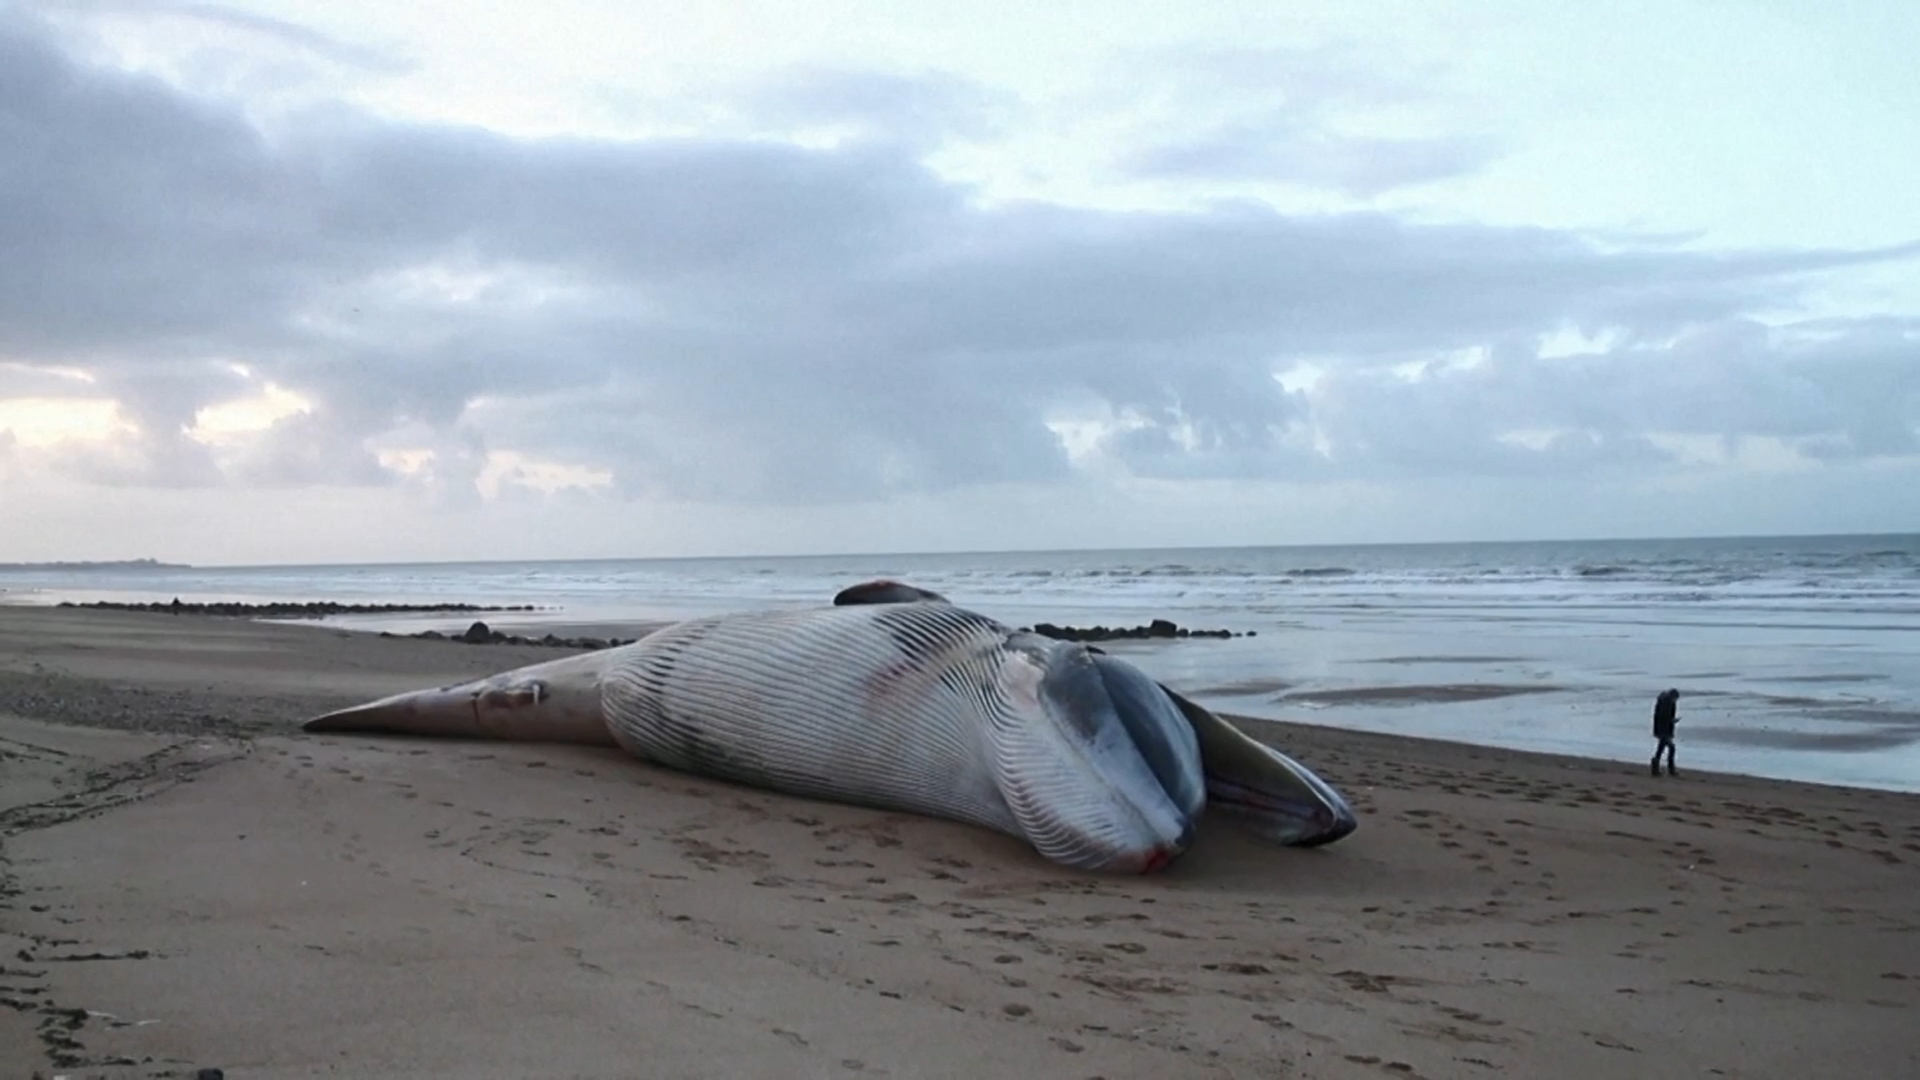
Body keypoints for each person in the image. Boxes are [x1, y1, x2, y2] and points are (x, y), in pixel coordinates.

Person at [1650, 688, 1680, 777]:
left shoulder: (1663, 701)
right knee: (1671, 748)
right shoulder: (1666, 703)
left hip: (1662, 729)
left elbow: (1659, 717)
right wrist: (1672, 721)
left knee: (1661, 748)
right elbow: (1665, 717)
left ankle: (1656, 768)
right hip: (1664, 730)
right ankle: (1670, 769)